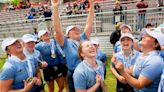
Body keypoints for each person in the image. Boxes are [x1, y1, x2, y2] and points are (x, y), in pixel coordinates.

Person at [51, 0, 94, 91]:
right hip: (75, 73)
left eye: (77, 28)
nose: (76, 30)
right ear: (68, 34)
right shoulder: (66, 42)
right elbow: (58, 30)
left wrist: (92, 5)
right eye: (72, 29)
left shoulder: (83, 38)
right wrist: (55, 7)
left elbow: (89, 24)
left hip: (89, 71)